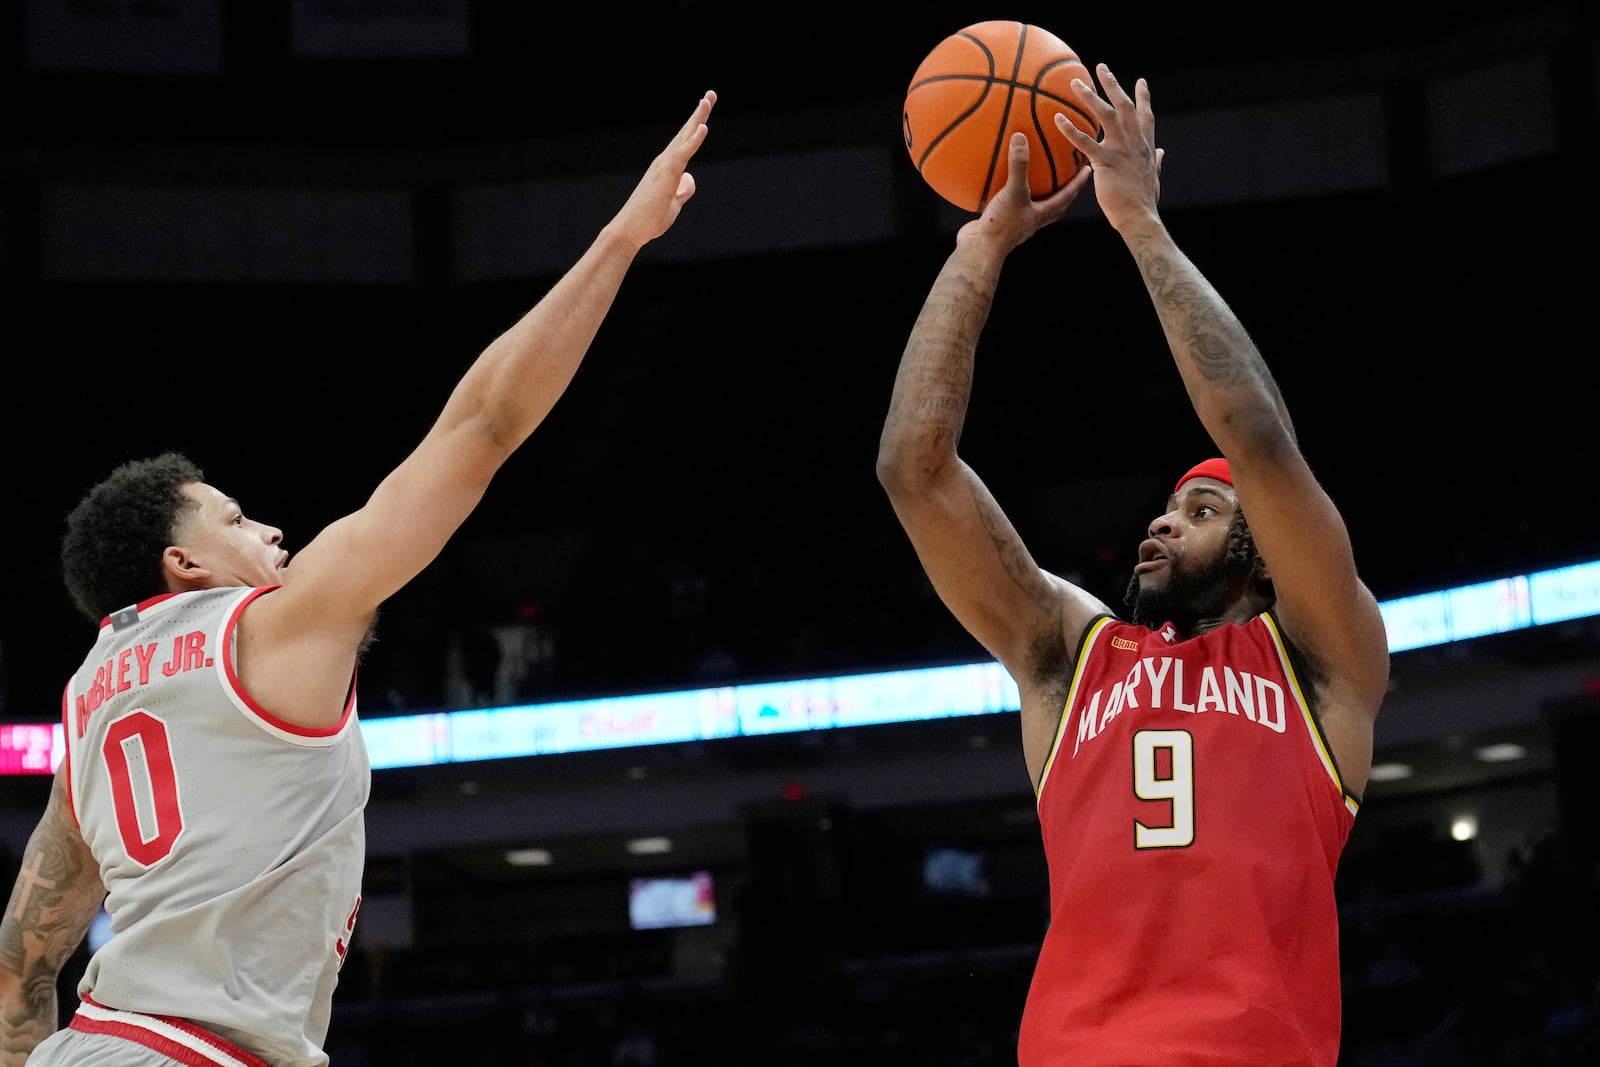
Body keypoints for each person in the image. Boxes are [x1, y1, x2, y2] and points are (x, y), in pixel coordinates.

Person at [0, 90, 717, 1067]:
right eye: (237, 517)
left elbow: (22, 955)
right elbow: (482, 428)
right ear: (186, 563)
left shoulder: (87, 697)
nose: (272, 528)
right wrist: (619, 241)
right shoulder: (270, 625)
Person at [876, 64, 1389, 1066]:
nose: (1161, 525)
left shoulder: (1319, 656)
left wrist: (1138, 224)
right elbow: (913, 468)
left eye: (1199, 510)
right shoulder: (1070, 655)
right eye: (1163, 509)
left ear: (1264, 555)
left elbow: (1255, 435)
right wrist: (978, 252)